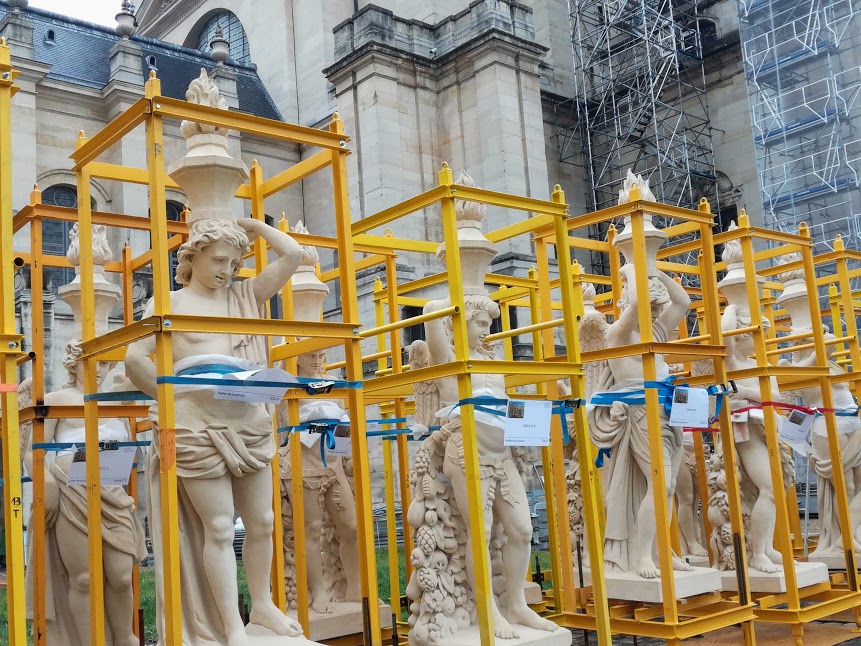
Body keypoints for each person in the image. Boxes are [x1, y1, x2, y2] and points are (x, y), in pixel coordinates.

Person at [126, 217, 306, 646]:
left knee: (263, 521)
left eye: (235, 261)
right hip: (194, 427)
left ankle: (261, 605)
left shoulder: (243, 296)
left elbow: (294, 256)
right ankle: (230, 625)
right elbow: (134, 360)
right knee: (221, 528)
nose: (228, 269)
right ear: (193, 255)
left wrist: (255, 227)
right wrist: (173, 398)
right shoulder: (167, 302)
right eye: (219, 259)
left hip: (247, 420)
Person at [22, 341, 146, 646]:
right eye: (92, 362)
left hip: (115, 496)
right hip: (70, 493)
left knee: (119, 575)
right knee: (83, 579)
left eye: (105, 364)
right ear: (73, 364)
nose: (100, 370)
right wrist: (48, 483)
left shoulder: (119, 402)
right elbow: (30, 452)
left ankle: (125, 637)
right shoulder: (57, 400)